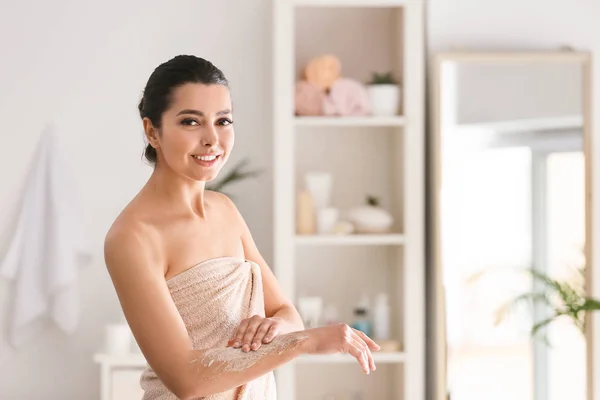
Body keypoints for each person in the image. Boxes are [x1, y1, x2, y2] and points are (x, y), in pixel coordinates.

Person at [103, 54, 379, 400]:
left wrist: (274, 329)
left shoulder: (225, 211)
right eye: (191, 122)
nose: (212, 140)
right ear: (151, 131)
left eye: (223, 121)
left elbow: (286, 313)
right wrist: (302, 342)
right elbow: (186, 379)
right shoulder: (133, 237)